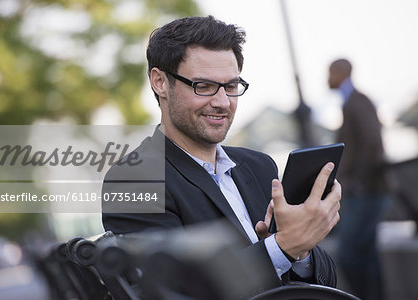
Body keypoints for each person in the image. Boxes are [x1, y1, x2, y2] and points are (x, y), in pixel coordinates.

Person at [102, 16, 341, 295]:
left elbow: (326, 283)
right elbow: (172, 290)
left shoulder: (260, 167)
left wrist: (300, 251)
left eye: (230, 86)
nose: (222, 102)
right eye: (202, 86)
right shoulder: (134, 179)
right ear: (160, 83)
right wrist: (281, 247)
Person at [328, 58, 392, 300]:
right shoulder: (353, 101)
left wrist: (358, 182)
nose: (327, 79)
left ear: (340, 73)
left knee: (349, 255)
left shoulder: (356, 101)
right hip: (368, 190)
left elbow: (372, 143)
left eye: (330, 73)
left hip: (368, 191)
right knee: (366, 254)